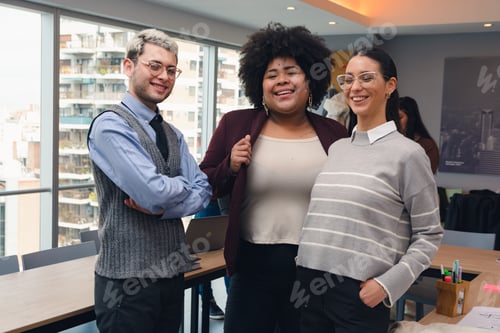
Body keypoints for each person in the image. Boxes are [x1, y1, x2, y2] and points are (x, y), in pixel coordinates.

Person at [199, 22, 348, 333]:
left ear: (310, 79)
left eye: (291, 72)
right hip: (252, 269)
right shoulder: (236, 124)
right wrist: (230, 165)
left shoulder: (334, 133)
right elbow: (204, 185)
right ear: (258, 83)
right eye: (271, 74)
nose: (282, 81)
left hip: (313, 270)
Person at [296, 47, 443, 333]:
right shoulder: (337, 148)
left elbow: (429, 233)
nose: (355, 88)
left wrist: (388, 285)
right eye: (348, 80)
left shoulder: (409, 154)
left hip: (359, 294)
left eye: (366, 78)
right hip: (308, 287)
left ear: (390, 85)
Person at [87, 28, 212, 333]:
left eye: (171, 70)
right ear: (128, 67)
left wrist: (165, 206)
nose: (164, 76)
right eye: (154, 66)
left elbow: (205, 190)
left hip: (170, 275)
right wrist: (182, 186)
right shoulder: (110, 127)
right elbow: (152, 193)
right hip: (126, 283)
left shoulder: (172, 133)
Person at [399, 96, 440, 174]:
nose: (395, 122)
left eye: (399, 117)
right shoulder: (391, 142)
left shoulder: (428, 146)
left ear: (411, 118)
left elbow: (425, 177)